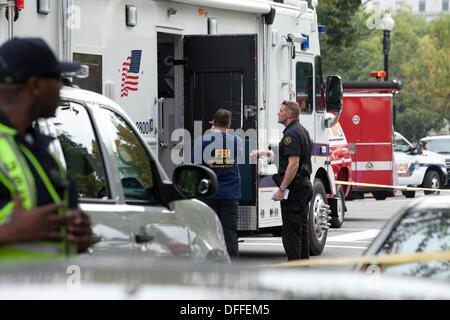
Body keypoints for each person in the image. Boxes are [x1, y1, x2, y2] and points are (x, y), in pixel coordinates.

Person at [0, 37, 92, 260]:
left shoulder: (37, 147)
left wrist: (81, 236)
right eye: (57, 79)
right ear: (35, 86)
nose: (61, 87)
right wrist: (9, 233)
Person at [252, 100, 313, 261]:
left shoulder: (291, 135)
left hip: (295, 189)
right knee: (301, 229)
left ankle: (294, 267)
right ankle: (301, 266)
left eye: (281, 111)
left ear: (289, 114)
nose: (278, 113)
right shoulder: (301, 131)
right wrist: (264, 153)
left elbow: (293, 165)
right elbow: (286, 157)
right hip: (303, 187)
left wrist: (282, 189)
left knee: (291, 232)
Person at [192, 109, 243, 259]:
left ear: (213, 122)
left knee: (208, 233)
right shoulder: (237, 141)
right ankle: (232, 266)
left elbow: (195, 166)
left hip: (209, 194)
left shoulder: (201, 141)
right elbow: (238, 158)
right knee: (230, 233)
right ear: (229, 124)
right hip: (230, 193)